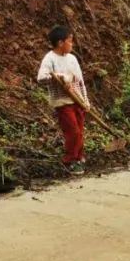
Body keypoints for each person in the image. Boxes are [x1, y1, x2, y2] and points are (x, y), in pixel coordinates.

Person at [37, 25, 88, 175]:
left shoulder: (72, 59)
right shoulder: (50, 58)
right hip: (62, 102)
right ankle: (70, 160)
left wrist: (86, 101)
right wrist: (59, 77)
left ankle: (79, 157)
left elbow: (80, 81)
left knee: (80, 131)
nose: (72, 44)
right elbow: (41, 78)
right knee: (73, 132)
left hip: (77, 100)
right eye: (70, 41)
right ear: (60, 43)